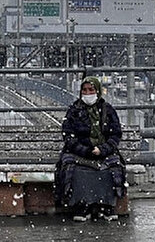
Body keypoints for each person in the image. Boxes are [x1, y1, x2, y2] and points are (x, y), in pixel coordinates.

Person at [54, 76, 125, 222]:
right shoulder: (74, 110)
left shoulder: (107, 110)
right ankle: (82, 205)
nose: (88, 93)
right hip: (79, 153)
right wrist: (84, 150)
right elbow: (68, 137)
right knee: (74, 169)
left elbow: (115, 134)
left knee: (112, 167)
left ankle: (106, 205)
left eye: (91, 90)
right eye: (84, 90)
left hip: (103, 152)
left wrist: (103, 149)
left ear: (98, 91)